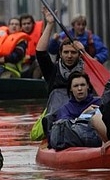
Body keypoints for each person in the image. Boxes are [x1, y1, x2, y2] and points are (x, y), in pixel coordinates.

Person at [36, 7, 86, 137]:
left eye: (73, 52)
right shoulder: (53, 71)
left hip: (82, 121)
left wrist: (85, 52)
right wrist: (50, 24)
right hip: (57, 121)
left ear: (79, 55)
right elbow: (40, 53)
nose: (69, 56)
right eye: (66, 52)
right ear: (60, 53)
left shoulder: (87, 71)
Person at [49, 71, 102, 150]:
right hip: (77, 143)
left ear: (88, 86)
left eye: (82, 85)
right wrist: (84, 115)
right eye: (76, 86)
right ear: (71, 88)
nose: (80, 89)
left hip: (98, 138)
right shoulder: (65, 109)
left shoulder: (100, 102)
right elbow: (65, 132)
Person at [19, 13, 44, 78]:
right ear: (21, 26)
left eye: (28, 23)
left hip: (34, 63)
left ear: (33, 24)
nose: (26, 26)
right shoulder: (16, 37)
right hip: (19, 64)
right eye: (24, 24)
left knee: (39, 64)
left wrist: (31, 57)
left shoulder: (40, 35)